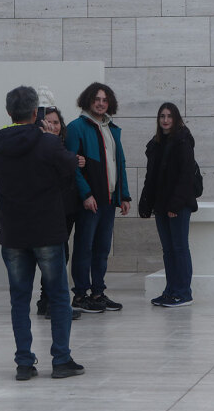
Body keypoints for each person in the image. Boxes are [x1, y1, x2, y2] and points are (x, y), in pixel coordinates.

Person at [0, 86, 85, 380]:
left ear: (8, 113)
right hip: (48, 231)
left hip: (13, 232)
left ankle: (24, 364)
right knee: (57, 296)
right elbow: (69, 171)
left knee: (19, 299)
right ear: (34, 113)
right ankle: (61, 359)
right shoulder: (48, 143)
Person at [65, 82, 131, 313]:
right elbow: (73, 167)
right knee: (84, 248)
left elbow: (119, 164)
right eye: (97, 99)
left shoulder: (112, 129)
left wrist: (124, 195)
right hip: (90, 201)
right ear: (88, 100)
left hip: (109, 199)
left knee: (102, 249)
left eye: (105, 100)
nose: (101, 103)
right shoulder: (76, 127)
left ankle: (98, 293)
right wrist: (86, 194)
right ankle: (81, 295)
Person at [138, 103, 198, 307]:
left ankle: (183, 292)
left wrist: (175, 205)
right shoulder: (156, 144)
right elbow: (151, 178)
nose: (165, 120)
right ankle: (171, 290)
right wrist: (146, 202)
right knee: (168, 250)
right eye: (162, 116)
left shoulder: (183, 141)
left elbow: (186, 176)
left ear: (176, 118)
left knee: (179, 248)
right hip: (161, 205)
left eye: (169, 116)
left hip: (177, 206)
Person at [36, 105, 83, 321]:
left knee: (61, 256)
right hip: (49, 212)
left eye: (56, 122)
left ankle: (47, 302)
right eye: (49, 122)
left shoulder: (62, 147)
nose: (53, 126)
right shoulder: (40, 147)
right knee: (53, 258)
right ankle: (49, 303)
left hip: (66, 211)